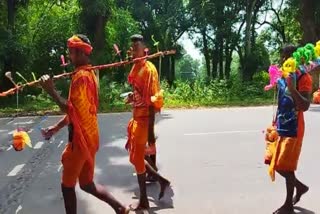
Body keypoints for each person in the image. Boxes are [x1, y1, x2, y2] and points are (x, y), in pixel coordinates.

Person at [40, 34, 129, 214]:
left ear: (80, 52)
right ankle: (120, 208)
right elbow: (78, 113)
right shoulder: (90, 74)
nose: (70, 56)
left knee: (67, 187)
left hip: (80, 142)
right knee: (87, 184)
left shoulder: (81, 77)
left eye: (71, 53)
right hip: (90, 138)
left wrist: (51, 91)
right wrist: (56, 128)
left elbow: (70, 110)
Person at [125, 34, 170, 211]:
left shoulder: (149, 70)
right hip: (136, 116)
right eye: (132, 48)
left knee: (136, 158)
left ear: (145, 49)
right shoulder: (136, 67)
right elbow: (139, 93)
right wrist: (132, 98)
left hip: (144, 119)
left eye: (137, 47)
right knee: (134, 156)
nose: (133, 50)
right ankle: (160, 180)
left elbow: (152, 102)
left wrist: (151, 132)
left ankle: (144, 200)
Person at [269, 44, 312, 214]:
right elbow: (281, 100)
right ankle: (300, 187)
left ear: (298, 58)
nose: (285, 60)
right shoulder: (283, 75)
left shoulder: (304, 78)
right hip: (281, 125)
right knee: (276, 163)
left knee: (285, 166)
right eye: (284, 57)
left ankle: (288, 205)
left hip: (294, 128)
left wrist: (292, 88)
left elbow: (306, 105)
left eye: (289, 57)